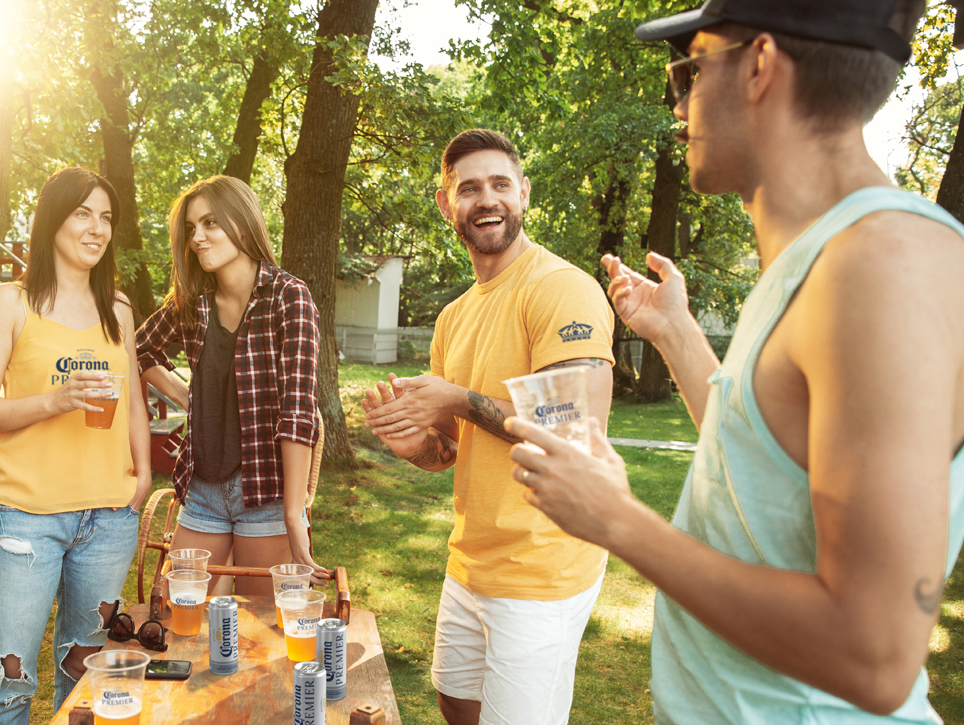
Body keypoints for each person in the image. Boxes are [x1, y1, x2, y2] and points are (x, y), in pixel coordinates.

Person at [505, 1, 964, 722]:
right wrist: (679, 336)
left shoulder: (881, 266)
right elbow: (769, 464)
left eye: (689, 70)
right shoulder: (826, 254)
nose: (678, 102)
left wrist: (620, 521)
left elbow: (873, 653)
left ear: (758, 66)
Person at [361, 129, 615, 725]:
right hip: (472, 559)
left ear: (523, 193)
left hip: (544, 563)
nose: (487, 199)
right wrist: (413, 445)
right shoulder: (454, 315)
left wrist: (458, 397)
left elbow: (574, 433)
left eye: (500, 184)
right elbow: (447, 449)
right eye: (469, 188)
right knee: (457, 702)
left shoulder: (561, 288)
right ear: (446, 203)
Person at [0, 167, 151, 723]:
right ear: (52, 221)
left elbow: (134, 401)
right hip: (25, 518)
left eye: (106, 217)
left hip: (108, 519)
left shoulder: (117, 311)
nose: (97, 228)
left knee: (86, 678)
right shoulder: (10, 302)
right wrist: (55, 400)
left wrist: (141, 479)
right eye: (82, 213)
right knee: (8, 685)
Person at [136, 175, 325, 595]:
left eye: (210, 224)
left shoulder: (288, 297)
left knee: (264, 631)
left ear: (242, 223)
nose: (198, 238)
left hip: (265, 493)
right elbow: (139, 352)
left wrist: (294, 516)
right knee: (174, 615)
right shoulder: (192, 303)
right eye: (191, 229)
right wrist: (189, 397)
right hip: (202, 488)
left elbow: (298, 413)